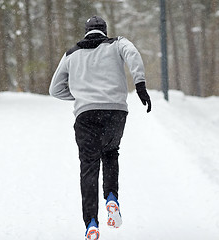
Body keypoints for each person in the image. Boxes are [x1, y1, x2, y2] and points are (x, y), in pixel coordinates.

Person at [49, 16, 151, 240]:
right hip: (116, 112)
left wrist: (82, 96)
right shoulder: (117, 43)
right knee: (111, 153)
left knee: (89, 167)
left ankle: (91, 224)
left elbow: (55, 89)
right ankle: (112, 198)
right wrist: (140, 84)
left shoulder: (71, 53)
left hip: (86, 115)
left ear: (86, 31)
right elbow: (132, 53)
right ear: (104, 31)